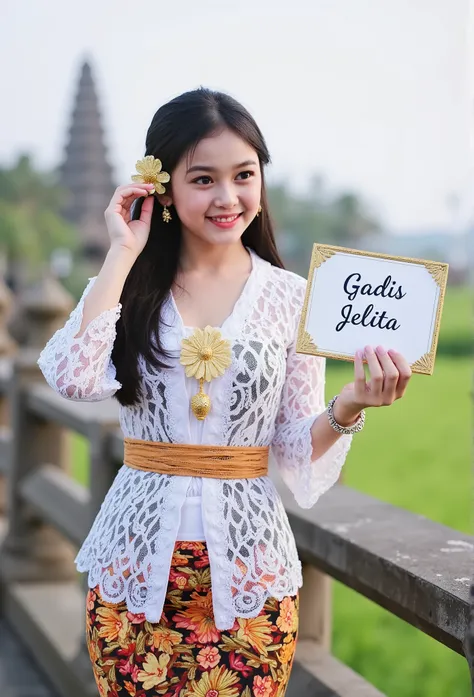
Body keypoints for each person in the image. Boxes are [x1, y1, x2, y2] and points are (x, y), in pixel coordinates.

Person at [38, 87, 412, 697]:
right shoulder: (128, 285)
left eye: (243, 175)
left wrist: (349, 407)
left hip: (249, 573)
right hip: (135, 568)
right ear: (163, 188)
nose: (227, 197)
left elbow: (292, 444)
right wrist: (121, 252)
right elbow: (75, 377)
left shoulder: (292, 298)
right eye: (203, 179)